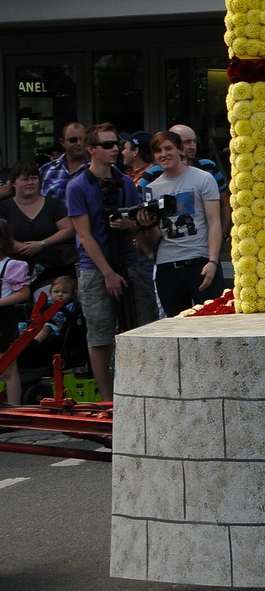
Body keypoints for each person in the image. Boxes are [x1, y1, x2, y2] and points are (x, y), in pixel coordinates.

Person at [65, 123, 158, 402]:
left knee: (143, 329)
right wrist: (108, 273)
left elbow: (135, 225)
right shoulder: (78, 185)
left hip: (130, 260)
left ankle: (142, 393)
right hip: (95, 268)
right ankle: (107, 402)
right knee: (101, 336)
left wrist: (131, 224)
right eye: (107, 145)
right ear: (91, 149)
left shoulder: (126, 182)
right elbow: (84, 234)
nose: (115, 149)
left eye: (116, 143)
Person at [139, 131, 223, 317]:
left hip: (200, 261)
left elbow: (214, 222)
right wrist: (148, 226)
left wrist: (213, 261)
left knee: (212, 321)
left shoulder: (203, 178)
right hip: (167, 265)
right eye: (158, 151)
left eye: (169, 148)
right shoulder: (152, 189)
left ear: (180, 149)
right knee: (176, 325)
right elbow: (155, 238)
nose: (164, 154)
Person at [0, 161, 74, 272]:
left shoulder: (54, 204)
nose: (30, 182)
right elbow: (1, 236)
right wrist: (25, 248)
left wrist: (41, 244)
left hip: (51, 265)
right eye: (24, 179)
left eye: (34, 178)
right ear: (13, 183)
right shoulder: (3, 207)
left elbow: (68, 229)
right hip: (14, 266)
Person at [1, 221, 30, 406]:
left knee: (7, 367)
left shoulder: (11, 265)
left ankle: (14, 410)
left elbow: (23, 293)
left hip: (3, 318)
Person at [38, 122, 88, 203]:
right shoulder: (45, 170)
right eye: (73, 140)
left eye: (82, 139)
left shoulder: (99, 169)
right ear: (62, 142)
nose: (79, 143)